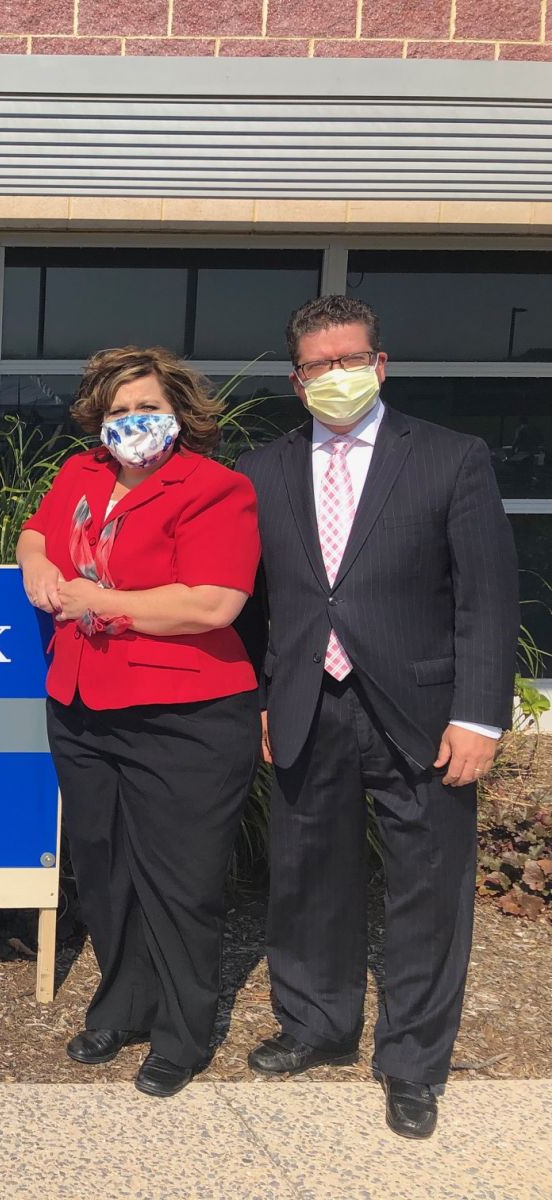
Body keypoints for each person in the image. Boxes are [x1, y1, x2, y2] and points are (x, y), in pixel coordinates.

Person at [235, 296, 517, 1139]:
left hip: (425, 713)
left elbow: (487, 598)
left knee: (429, 891)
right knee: (308, 878)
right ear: (297, 379)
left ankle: (413, 1063)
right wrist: (259, 695)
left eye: (350, 359)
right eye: (319, 365)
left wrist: (479, 717)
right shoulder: (263, 470)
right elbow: (255, 608)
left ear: (380, 364)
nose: (336, 375)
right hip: (305, 703)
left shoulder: (450, 458)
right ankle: (317, 1026)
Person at [16, 346, 260, 1098]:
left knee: (179, 883)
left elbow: (213, 603)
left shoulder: (217, 489)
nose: (131, 422)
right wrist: (40, 570)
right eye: (118, 411)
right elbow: (35, 534)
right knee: (106, 872)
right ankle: (122, 1006)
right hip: (84, 706)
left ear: (179, 413)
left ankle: (183, 1035)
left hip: (184, 717)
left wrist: (101, 601)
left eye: (146, 408)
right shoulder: (82, 476)